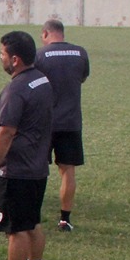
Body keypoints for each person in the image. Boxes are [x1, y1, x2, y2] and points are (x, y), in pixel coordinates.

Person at [0, 31, 54, 260]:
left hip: (17, 170)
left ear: (16, 59)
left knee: (16, 229)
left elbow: (6, 132)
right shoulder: (41, 80)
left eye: (2, 55)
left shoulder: (17, 89)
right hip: (37, 166)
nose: (1, 59)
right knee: (32, 222)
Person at [36, 18, 89, 231]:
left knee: (37, 169)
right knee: (68, 171)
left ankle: (33, 214)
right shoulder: (80, 53)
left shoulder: (40, 55)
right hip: (71, 121)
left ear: (46, 34)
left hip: (45, 121)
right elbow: (83, 77)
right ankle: (65, 219)